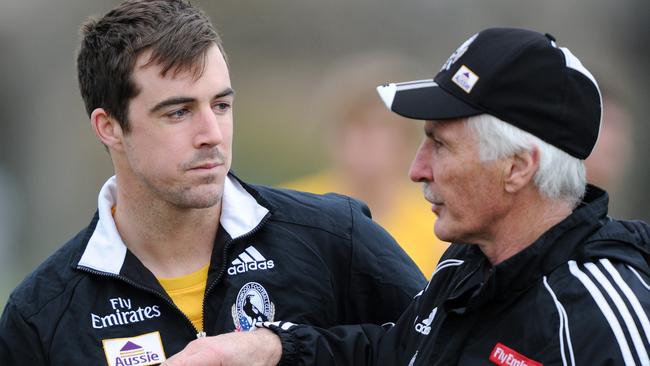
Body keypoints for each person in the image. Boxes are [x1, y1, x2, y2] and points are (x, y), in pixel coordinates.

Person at [163, 27, 650, 366]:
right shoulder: (467, 266)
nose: (417, 169)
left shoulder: (602, 318)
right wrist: (272, 348)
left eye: (440, 144)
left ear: (517, 168)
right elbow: (398, 353)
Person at [0, 1, 426, 364]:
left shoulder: (336, 236)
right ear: (109, 127)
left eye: (221, 105)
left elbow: (449, 345)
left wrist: (281, 348)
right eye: (178, 112)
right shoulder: (41, 314)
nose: (212, 133)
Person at [282, 52, 448, 277]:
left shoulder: (438, 226)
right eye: (356, 125)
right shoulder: (292, 210)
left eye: (382, 126)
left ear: (407, 139)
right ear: (334, 135)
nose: (368, 139)